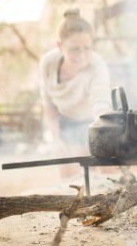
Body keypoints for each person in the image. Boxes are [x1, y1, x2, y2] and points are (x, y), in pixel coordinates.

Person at [39, 9, 111, 176]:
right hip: (64, 123)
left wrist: (104, 137)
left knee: (105, 173)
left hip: (94, 122)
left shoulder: (97, 65)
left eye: (87, 48)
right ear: (59, 46)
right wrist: (55, 140)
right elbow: (48, 106)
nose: (82, 55)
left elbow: (101, 102)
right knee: (68, 175)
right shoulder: (48, 63)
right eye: (74, 49)